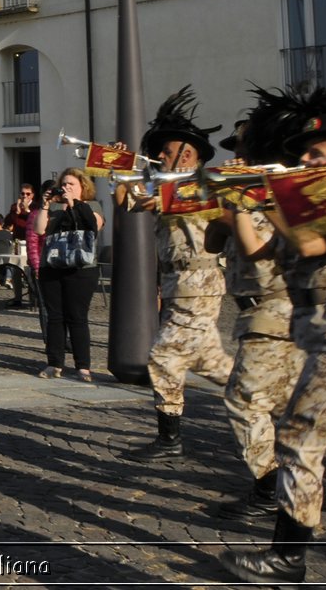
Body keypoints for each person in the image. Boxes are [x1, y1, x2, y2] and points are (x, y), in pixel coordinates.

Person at [221, 89, 326, 584]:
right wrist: (251, 201)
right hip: (325, 330)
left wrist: (296, 198)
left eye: (316, 153)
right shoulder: (317, 195)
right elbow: (276, 248)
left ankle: (287, 555)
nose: (305, 160)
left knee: (298, 436)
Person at [119, 87, 233, 461]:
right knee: (211, 363)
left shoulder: (207, 184)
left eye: (166, 152)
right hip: (175, 284)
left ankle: (170, 438)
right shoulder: (162, 185)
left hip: (199, 284)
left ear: (188, 154)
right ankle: (272, 399)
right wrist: (119, 169)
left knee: (163, 357)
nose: (160, 158)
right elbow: (129, 202)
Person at [211, 90, 303, 520]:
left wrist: (234, 210)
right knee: (285, 406)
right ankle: (291, 489)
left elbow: (257, 249)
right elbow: (216, 242)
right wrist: (218, 209)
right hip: (254, 308)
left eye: (243, 150)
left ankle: (269, 487)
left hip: (275, 303)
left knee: (244, 398)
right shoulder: (242, 189)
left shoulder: (277, 189)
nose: (237, 157)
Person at [34, 168, 104, 381]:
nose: (66, 188)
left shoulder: (91, 206)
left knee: (77, 317)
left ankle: (83, 366)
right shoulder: (55, 207)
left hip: (81, 269)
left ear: (83, 187)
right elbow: (39, 230)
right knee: (55, 317)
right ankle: (54, 363)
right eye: (64, 184)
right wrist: (45, 205)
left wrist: (73, 203)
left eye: (71, 184)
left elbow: (93, 226)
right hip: (52, 267)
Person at [5, 183, 35, 305]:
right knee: (16, 270)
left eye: (27, 194)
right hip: (18, 241)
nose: (24, 196)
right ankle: (18, 298)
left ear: (32, 195)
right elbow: (6, 222)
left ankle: (33, 298)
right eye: (22, 193)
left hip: (31, 242)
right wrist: (16, 212)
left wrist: (27, 210)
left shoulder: (36, 206)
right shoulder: (14, 207)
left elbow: (34, 221)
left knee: (31, 270)